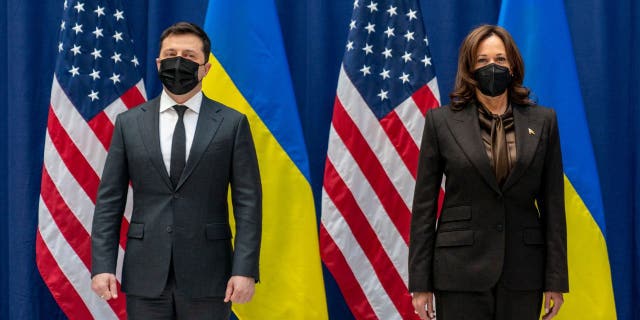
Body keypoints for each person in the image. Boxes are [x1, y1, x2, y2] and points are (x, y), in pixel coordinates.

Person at [90, 22, 262, 320]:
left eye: (189, 56)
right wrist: (103, 265)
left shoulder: (232, 124)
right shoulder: (129, 123)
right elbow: (109, 201)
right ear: (158, 63)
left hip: (210, 276)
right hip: (146, 274)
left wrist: (245, 270)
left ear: (205, 68)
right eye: (170, 54)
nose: (178, 62)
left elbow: (248, 204)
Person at [409, 25, 568, 320]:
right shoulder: (441, 122)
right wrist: (420, 284)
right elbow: (423, 208)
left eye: (500, 59)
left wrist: (555, 280)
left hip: (523, 274)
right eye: (482, 61)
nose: (492, 67)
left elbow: (553, 206)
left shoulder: (544, 121)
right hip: (458, 273)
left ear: (513, 65)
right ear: (469, 67)